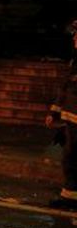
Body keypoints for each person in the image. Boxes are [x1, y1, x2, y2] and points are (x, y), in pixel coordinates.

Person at [45, 64, 77, 210]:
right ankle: (69, 197)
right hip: (70, 121)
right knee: (69, 158)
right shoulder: (74, 65)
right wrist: (53, 113)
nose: (75, 39)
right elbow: (64, 90)